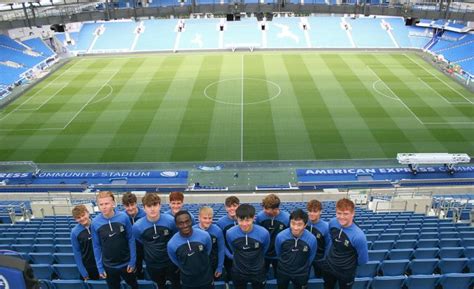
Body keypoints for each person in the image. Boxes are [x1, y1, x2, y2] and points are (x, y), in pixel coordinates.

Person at [316, 198, 368, 289]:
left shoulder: (359, 236)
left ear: (353, 214)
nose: (342, 217)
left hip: (346, 272)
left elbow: (363, 260)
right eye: (339, 213)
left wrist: (347, 264)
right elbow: (333, 240)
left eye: (346, 214)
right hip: (329, 266)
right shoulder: (332, 223)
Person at [132, 193, 181, 289]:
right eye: (149, 206)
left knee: (176, 284)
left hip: (170, 262)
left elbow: (176, 239)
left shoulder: (171, 221)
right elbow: (140, 241)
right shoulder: (137, 226)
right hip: (153, 264)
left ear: (160, 206)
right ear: (144, 208)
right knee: (159, 285)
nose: (152, 209)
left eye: (155, 205)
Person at [91, 191, 138, 289]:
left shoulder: (123, 217)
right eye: (101, 204)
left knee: (134, 286)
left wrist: (132, 261)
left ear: (113, 203)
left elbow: (131, 239)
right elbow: (96, 246)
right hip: (109, 266)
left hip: (126, 263)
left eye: (107, 203)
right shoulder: (95, 223)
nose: (104, 207)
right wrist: (100, 267)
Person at [226, 204, 270, 289]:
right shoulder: (230, 233)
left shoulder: (264, 233)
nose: (244, 224)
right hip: (238, 271)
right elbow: (233, 249)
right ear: (237, 218)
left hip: (258, 271)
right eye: (241, 220)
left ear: (253, 218)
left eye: (247, 220)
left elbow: (264, 249)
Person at [167, 211, 214, 289]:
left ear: (191, 221)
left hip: (206, 279)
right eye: (181, 223)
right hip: (187, 282)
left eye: (187, 221)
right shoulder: (171, 244)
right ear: (176, 225)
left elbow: (207, 251)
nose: (185, 225)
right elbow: (176, 261)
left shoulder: (205, 236)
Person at [275, 209, 317, 289]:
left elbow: (311, 257)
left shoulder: (312, 239)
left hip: (301, 273)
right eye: (293, 223)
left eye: (299, 224)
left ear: (305, 225)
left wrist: (302, 267)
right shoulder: (280, 236)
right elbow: (278, 253)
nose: (295, 228)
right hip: (283, 271)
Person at [256, 194, 290, 277]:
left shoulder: (287, 218)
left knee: (279, 276)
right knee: (262, 276)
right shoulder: (260, 216)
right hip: (264, 253)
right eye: (264, 208)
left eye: (267, 209)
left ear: (276, 208)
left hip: (279, 254)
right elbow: (257, 235)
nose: (264, 210)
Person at [194, 206, 225, 280]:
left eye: (210, 218)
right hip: (198, 265)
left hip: (213, 264)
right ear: (199, 218)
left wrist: (219, 267)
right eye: (205, 218)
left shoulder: (217, 231)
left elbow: (221, 250)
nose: (207, 221)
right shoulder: (193, 230)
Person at [71, 204, 99, 281]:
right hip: (88, 267)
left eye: (83, 215)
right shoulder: (74, 232)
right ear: (75, 219)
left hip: (103, 264)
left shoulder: (98, 224)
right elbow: (77, 253)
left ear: (88, 213)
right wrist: (83, 272)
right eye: (78, 218)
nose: (82, 219)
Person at [122, 192, 146, 279]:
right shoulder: (122, 217)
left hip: (145, 247)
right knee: (137, 270)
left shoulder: (145, 215)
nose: (130, 208)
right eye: (127, 206)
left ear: (136, 203)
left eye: (132, 204)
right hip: (130, 249)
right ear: (124, 206)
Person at [216, 196, 240, 283]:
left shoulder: (244, 220)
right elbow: (221, 243)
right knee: (231, 278)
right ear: (226, 207)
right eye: (229, 206)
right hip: (229, 257)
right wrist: (229, 255)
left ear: (239, 206)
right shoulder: (220, 222)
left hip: (243, 256)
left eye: (234, 206)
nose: (232, 208)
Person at [306, 199, 330, 278]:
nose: (312, 214)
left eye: (315, 211)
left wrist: (324, 259)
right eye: (310, 211)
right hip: (305, 257)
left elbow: (327, 246)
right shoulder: (303, 223)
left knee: (319, 277)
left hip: (319, 259)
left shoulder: (326, 227)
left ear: (320, 212)